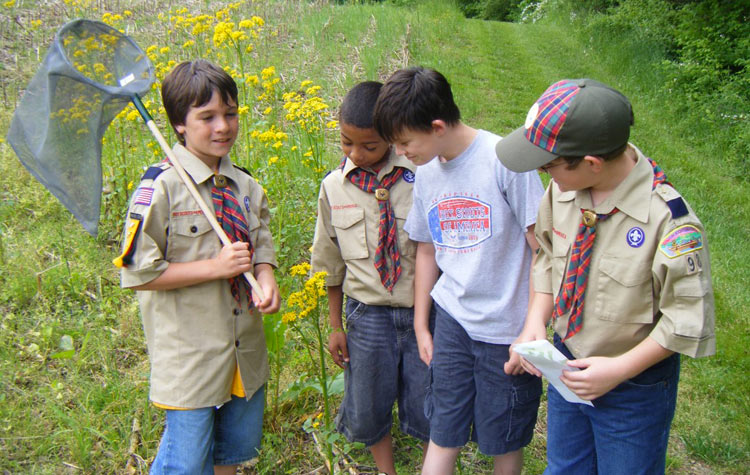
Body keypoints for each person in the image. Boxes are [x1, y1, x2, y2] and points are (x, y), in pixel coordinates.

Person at [497, 78, 715, 474]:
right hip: (567, 364)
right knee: (566, 467)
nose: (545, 176)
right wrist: (534, 322)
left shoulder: (669, 222)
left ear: (592, 163)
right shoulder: (562, 191)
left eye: (549, 165)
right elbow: (546, 256)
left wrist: (618, 370)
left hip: (633, 384)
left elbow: (686, 320)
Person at [373, 66, 545, 475]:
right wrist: (421, 324)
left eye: (404, 142)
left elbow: (544, 251)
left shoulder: (503, 161)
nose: (401, 153)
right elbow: (427, 250)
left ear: (436, 126)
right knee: (444, 427)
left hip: (506, 328)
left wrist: (532, 326)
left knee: (503, 435)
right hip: (452, 322)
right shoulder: (428, 173)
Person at [114, 59, 280, 475]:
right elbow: (138, 273)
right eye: (207, 117)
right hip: (191, 356)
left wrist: (265, 276)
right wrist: (215, 267)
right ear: (179, 125)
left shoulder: (245, 185)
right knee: (186, 463)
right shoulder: (162, 187)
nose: (223, 126)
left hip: (244, 348)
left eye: (231, 113)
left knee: (233, 452)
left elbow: (259, 241)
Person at [311, 81, 430, 475]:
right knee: (369, 399)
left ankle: (434, 462)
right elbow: (330, 264)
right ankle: (386, 470)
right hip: (367, 315)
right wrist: (334, 325)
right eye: (346, 143)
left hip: (422, 315)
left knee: (428, 396)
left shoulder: (422, 177)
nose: (356, 154)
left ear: (393, 138)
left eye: (370, 146)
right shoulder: (333, 187)